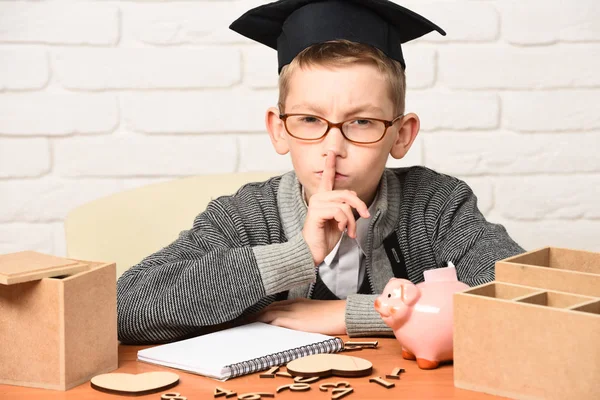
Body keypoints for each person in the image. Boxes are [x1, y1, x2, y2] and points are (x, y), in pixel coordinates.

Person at [117, 0, 524, 345]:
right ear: (279, 130)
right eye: (310, 120)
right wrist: (296, 255)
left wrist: (352, 314)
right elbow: (123, 308)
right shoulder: (243, 217)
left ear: (401, 135)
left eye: (362, 122)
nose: (333, 147)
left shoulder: (438, 206)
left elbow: (520, 303)